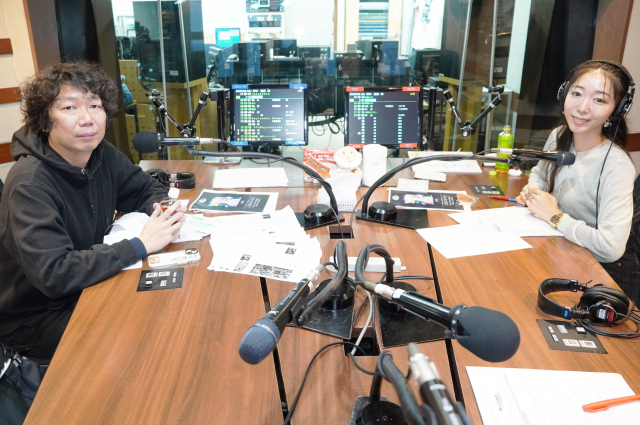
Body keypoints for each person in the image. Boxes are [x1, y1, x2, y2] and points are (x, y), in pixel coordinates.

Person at [0, 61, 186, 361]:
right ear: (45, 121)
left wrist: (164, 211)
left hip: (86, 284)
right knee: (146, 335)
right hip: (37, 318)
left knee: (170, 306)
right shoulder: (29, 184)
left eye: (95, 105)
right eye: (70, 107)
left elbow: (142, 189)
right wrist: (140, 245)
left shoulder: (100, 153)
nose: (87, 119)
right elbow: (56, 274)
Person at [516, 60, 638, 301]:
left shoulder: (617, 165)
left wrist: (554, 217)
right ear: (564, 95)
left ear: (616, 111)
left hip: (604, 275)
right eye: (577, 94)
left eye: (599, 100)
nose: (582, 108)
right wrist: (534, 192)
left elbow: (611, 248)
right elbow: (540, 174)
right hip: (564, 251)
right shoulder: (559, 136)